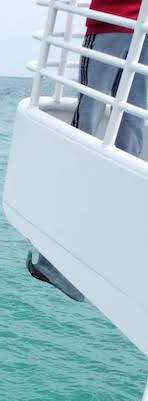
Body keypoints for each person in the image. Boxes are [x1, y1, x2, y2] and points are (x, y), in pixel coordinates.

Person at [27, 0, 147, 301]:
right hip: (143, 30)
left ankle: (58, 261)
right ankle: (107, 243)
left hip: (112, 21)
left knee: (86, 130)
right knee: (133, 120)